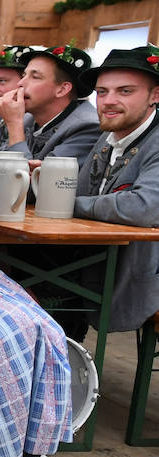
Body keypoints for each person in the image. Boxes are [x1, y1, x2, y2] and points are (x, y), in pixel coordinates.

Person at [69, 45, 159, 333]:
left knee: (41, 279)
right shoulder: (109, 135)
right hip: (103, 259)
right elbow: (83, 190)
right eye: (102, 92)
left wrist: (65, 203)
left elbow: (144, 207)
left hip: (141, 271)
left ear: (155, 95)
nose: (108, 101)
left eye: (125, 91)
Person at [0, 45, 100, 161]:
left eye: (35, 77)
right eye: (24, 75)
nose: (20, 83)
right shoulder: (26, 120)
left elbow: (38, 177)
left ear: (62, 89)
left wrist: (14, 125)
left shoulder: (88, 127)